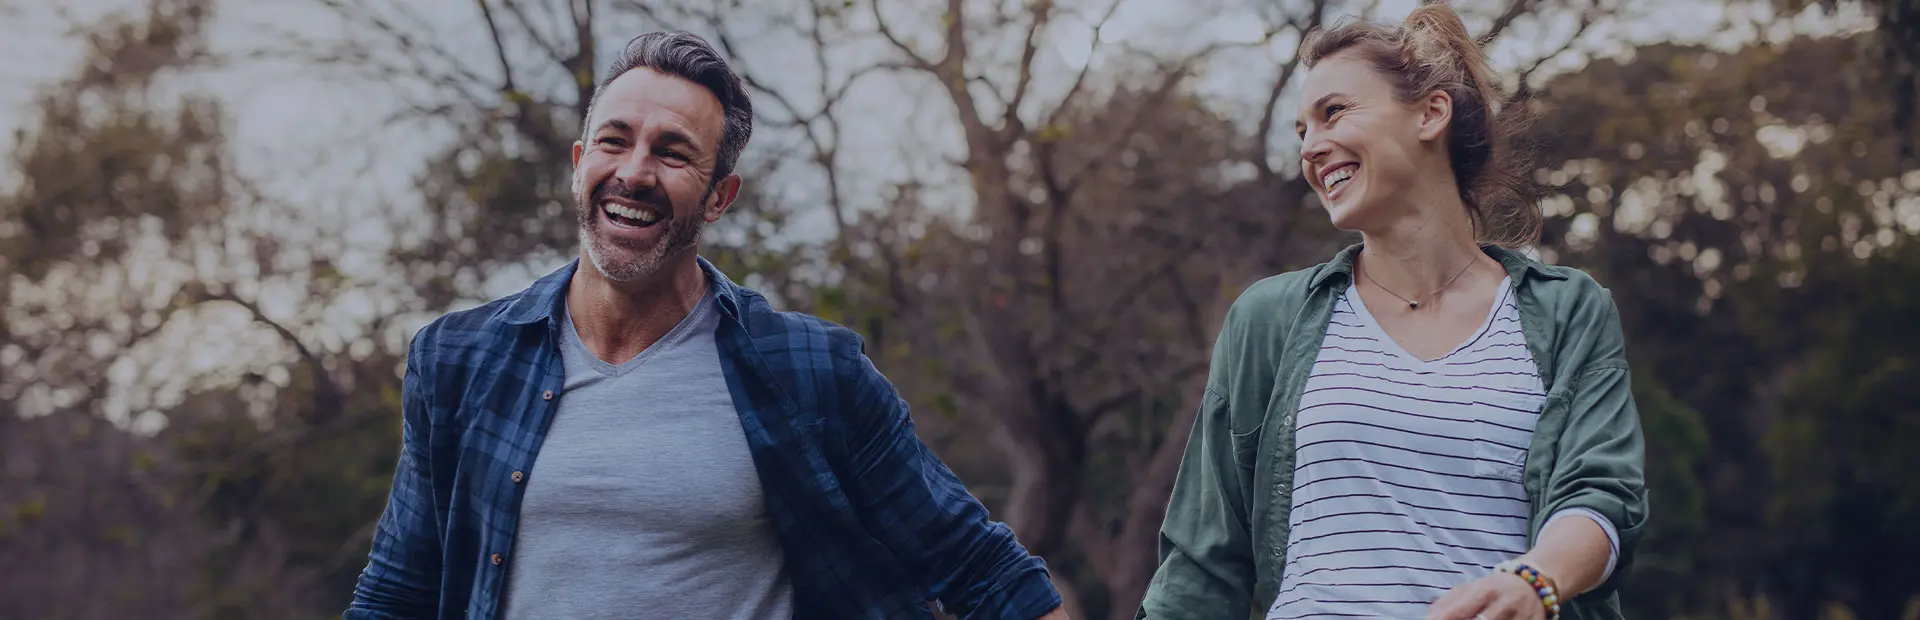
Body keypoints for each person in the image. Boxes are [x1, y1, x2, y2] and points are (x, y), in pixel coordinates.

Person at [343, 31, 1069, 620]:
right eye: (614, 141)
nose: (634, 172)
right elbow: (399, 593)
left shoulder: (809, 372)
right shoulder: (460, 361)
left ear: (719, 196)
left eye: (672, 152)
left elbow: (983, 572)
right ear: (578, 164)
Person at [1135, 4, 1647, 620]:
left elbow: (1600, 495)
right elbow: (1201, 563)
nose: (1313, 148)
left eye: (1334, 113)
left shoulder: (1568, 311)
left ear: (1431, 113)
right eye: (1302, 132)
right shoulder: (1267, 320)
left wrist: (1534, 583)